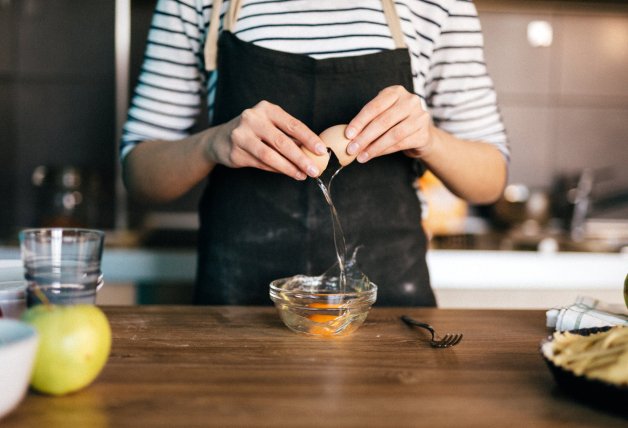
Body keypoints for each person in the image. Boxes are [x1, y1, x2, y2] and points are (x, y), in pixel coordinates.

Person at [121, 0, 509, 306]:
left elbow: (490, 181)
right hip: (234, 310)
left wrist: (429, 139)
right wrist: (212, 144)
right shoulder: (198, 3)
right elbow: (139, 176)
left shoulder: (437, 4)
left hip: (387, 310)